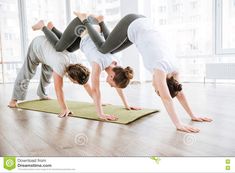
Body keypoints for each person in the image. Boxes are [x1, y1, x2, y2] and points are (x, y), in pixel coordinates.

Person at [75, 12, 213, 133]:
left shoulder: (174, 70)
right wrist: (178, 124)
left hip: (142, 25)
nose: (154, 86)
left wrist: (192, 115)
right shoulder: (160, 69)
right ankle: (86, 20)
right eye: (156, 88)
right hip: (133, 23)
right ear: (161, 85)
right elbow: (167, 99)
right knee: (103, 48)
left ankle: (101, 20)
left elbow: (179, 92)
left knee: (111, 49)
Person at [31, 17, 141, 121]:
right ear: (112, 76)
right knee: (58, 47)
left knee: (66, 47)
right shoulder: (98, 64)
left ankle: (52, 28)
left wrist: (127, 105)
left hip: (88, 33)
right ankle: (43, 27)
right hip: (84, 30)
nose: (111, 86)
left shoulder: (116, 63)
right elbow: (95, 90)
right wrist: (100, 114)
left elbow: (117, 84)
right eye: (113, 84)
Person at [8, 35, 91, 118]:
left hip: (48, 52)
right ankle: (13, 100)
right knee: (27, 72)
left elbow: (86, 84)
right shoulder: (60, 64)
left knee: (47, 73)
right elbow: (59, 89)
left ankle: (42, 94)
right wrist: (64, 109)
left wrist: (96, 100)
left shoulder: (77, 67)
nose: (74, 83)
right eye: (75, 82)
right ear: (72, 77)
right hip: (37, 46)